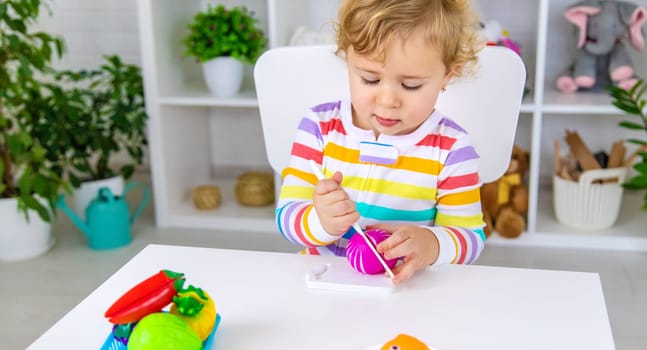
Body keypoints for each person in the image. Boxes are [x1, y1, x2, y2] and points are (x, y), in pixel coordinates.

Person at [275, 0, 485, 284]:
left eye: (410, 85)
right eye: (370, 79)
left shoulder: (451, 148)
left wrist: (431, 244)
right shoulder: (320, 127)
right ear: (347, 58)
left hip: (406, 290)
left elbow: (470, 239)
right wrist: (320, 222)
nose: (387, 101)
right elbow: (286, 216)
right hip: (323, 283)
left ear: (447, 75)